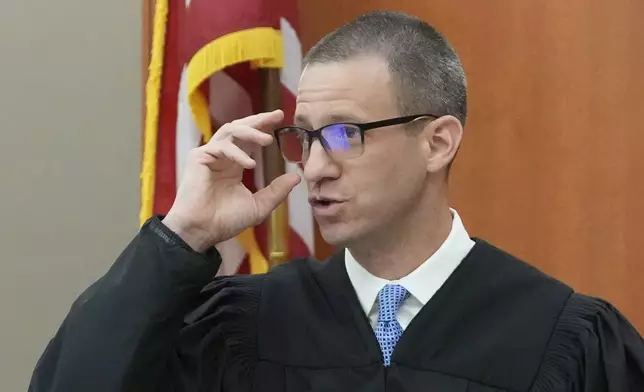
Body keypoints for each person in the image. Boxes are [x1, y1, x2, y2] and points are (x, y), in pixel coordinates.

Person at [29, 10, 643, 392]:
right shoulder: (245, 326)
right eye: (306, 137)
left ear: (437, 142)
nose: (315, 167)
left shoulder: (563, 338)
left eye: (346, 135)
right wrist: (181, 237)